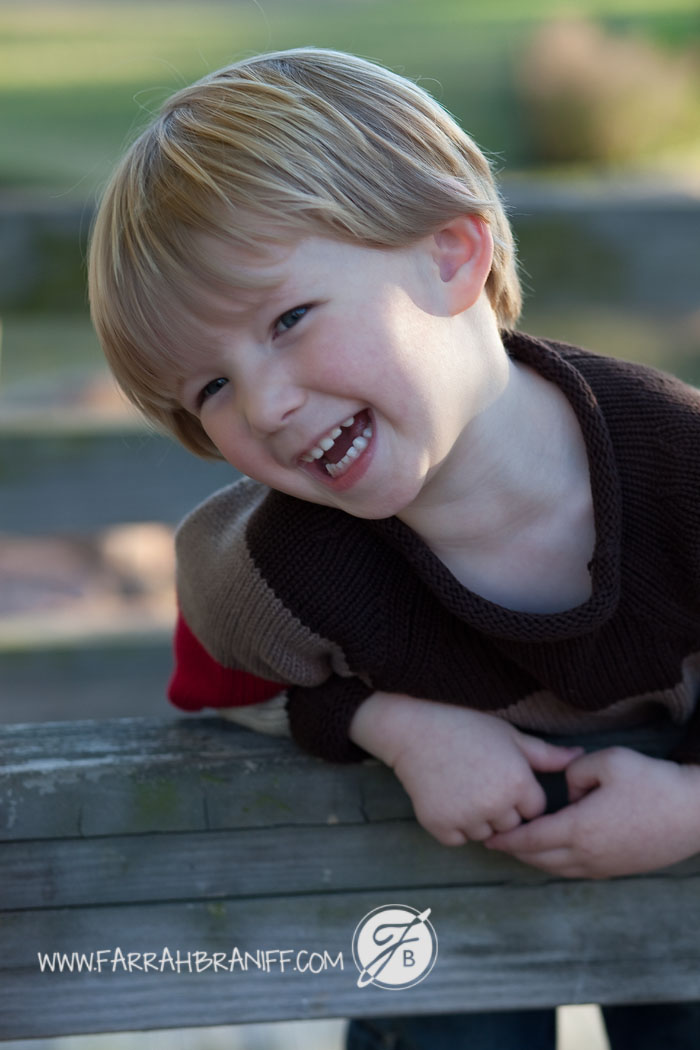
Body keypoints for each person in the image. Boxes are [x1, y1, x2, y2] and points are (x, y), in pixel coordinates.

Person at [88, 46, 700, 1049]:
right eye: (210, 390)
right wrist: (389, 724)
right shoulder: (276, 565)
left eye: (289, 319)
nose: (265, 406)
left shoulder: (681, 471)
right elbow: (221, 683)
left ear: (451, 255)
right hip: (445, 930)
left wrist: (690, 804)